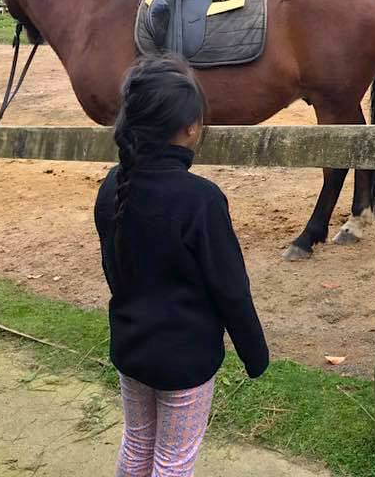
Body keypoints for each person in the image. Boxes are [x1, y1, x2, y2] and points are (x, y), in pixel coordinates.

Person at [94, 54, 268, 477]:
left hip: (131, 347)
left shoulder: (113, 185)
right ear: (191, 127)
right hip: (185, 360)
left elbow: (112, 268)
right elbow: (230, 287)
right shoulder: (201, 199)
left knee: (136, 444)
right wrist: (254, 353)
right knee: (174, 460)